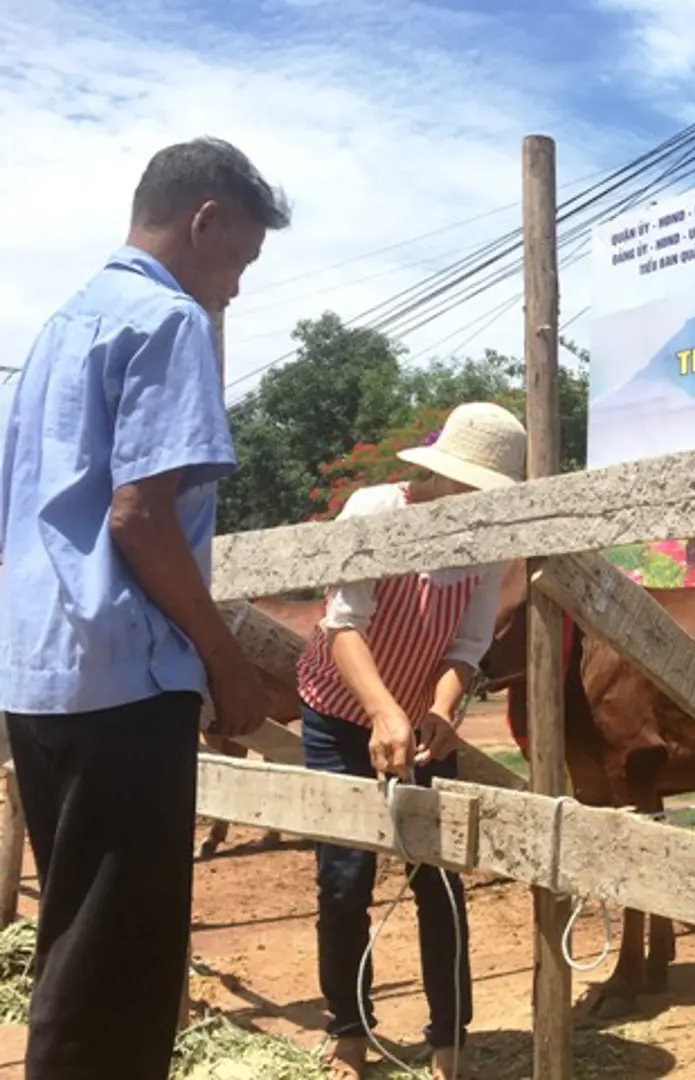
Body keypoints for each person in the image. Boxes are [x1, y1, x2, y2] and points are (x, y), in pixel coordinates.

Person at [0, 138, 289, 1077]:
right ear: (206, 221)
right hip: (125, 678)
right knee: (119, 972)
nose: (234, 289)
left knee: (78, 941)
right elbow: (141, 515)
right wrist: (228, 662)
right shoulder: (168, 322)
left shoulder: (58, 329)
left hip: (39, 677)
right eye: (240, 258)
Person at [295, 401, 525, 1080]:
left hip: (425, 717)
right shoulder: (374, 511)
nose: (476, 502)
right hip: (341, 711)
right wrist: (382, 714)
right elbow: (343, 624)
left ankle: (450, 1038)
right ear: (441, 478)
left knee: (440, 882)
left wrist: (440, 708)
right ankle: (347, 1033)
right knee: (344, 880)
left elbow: (469, 642)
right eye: (469, 489)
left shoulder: (486, 540)